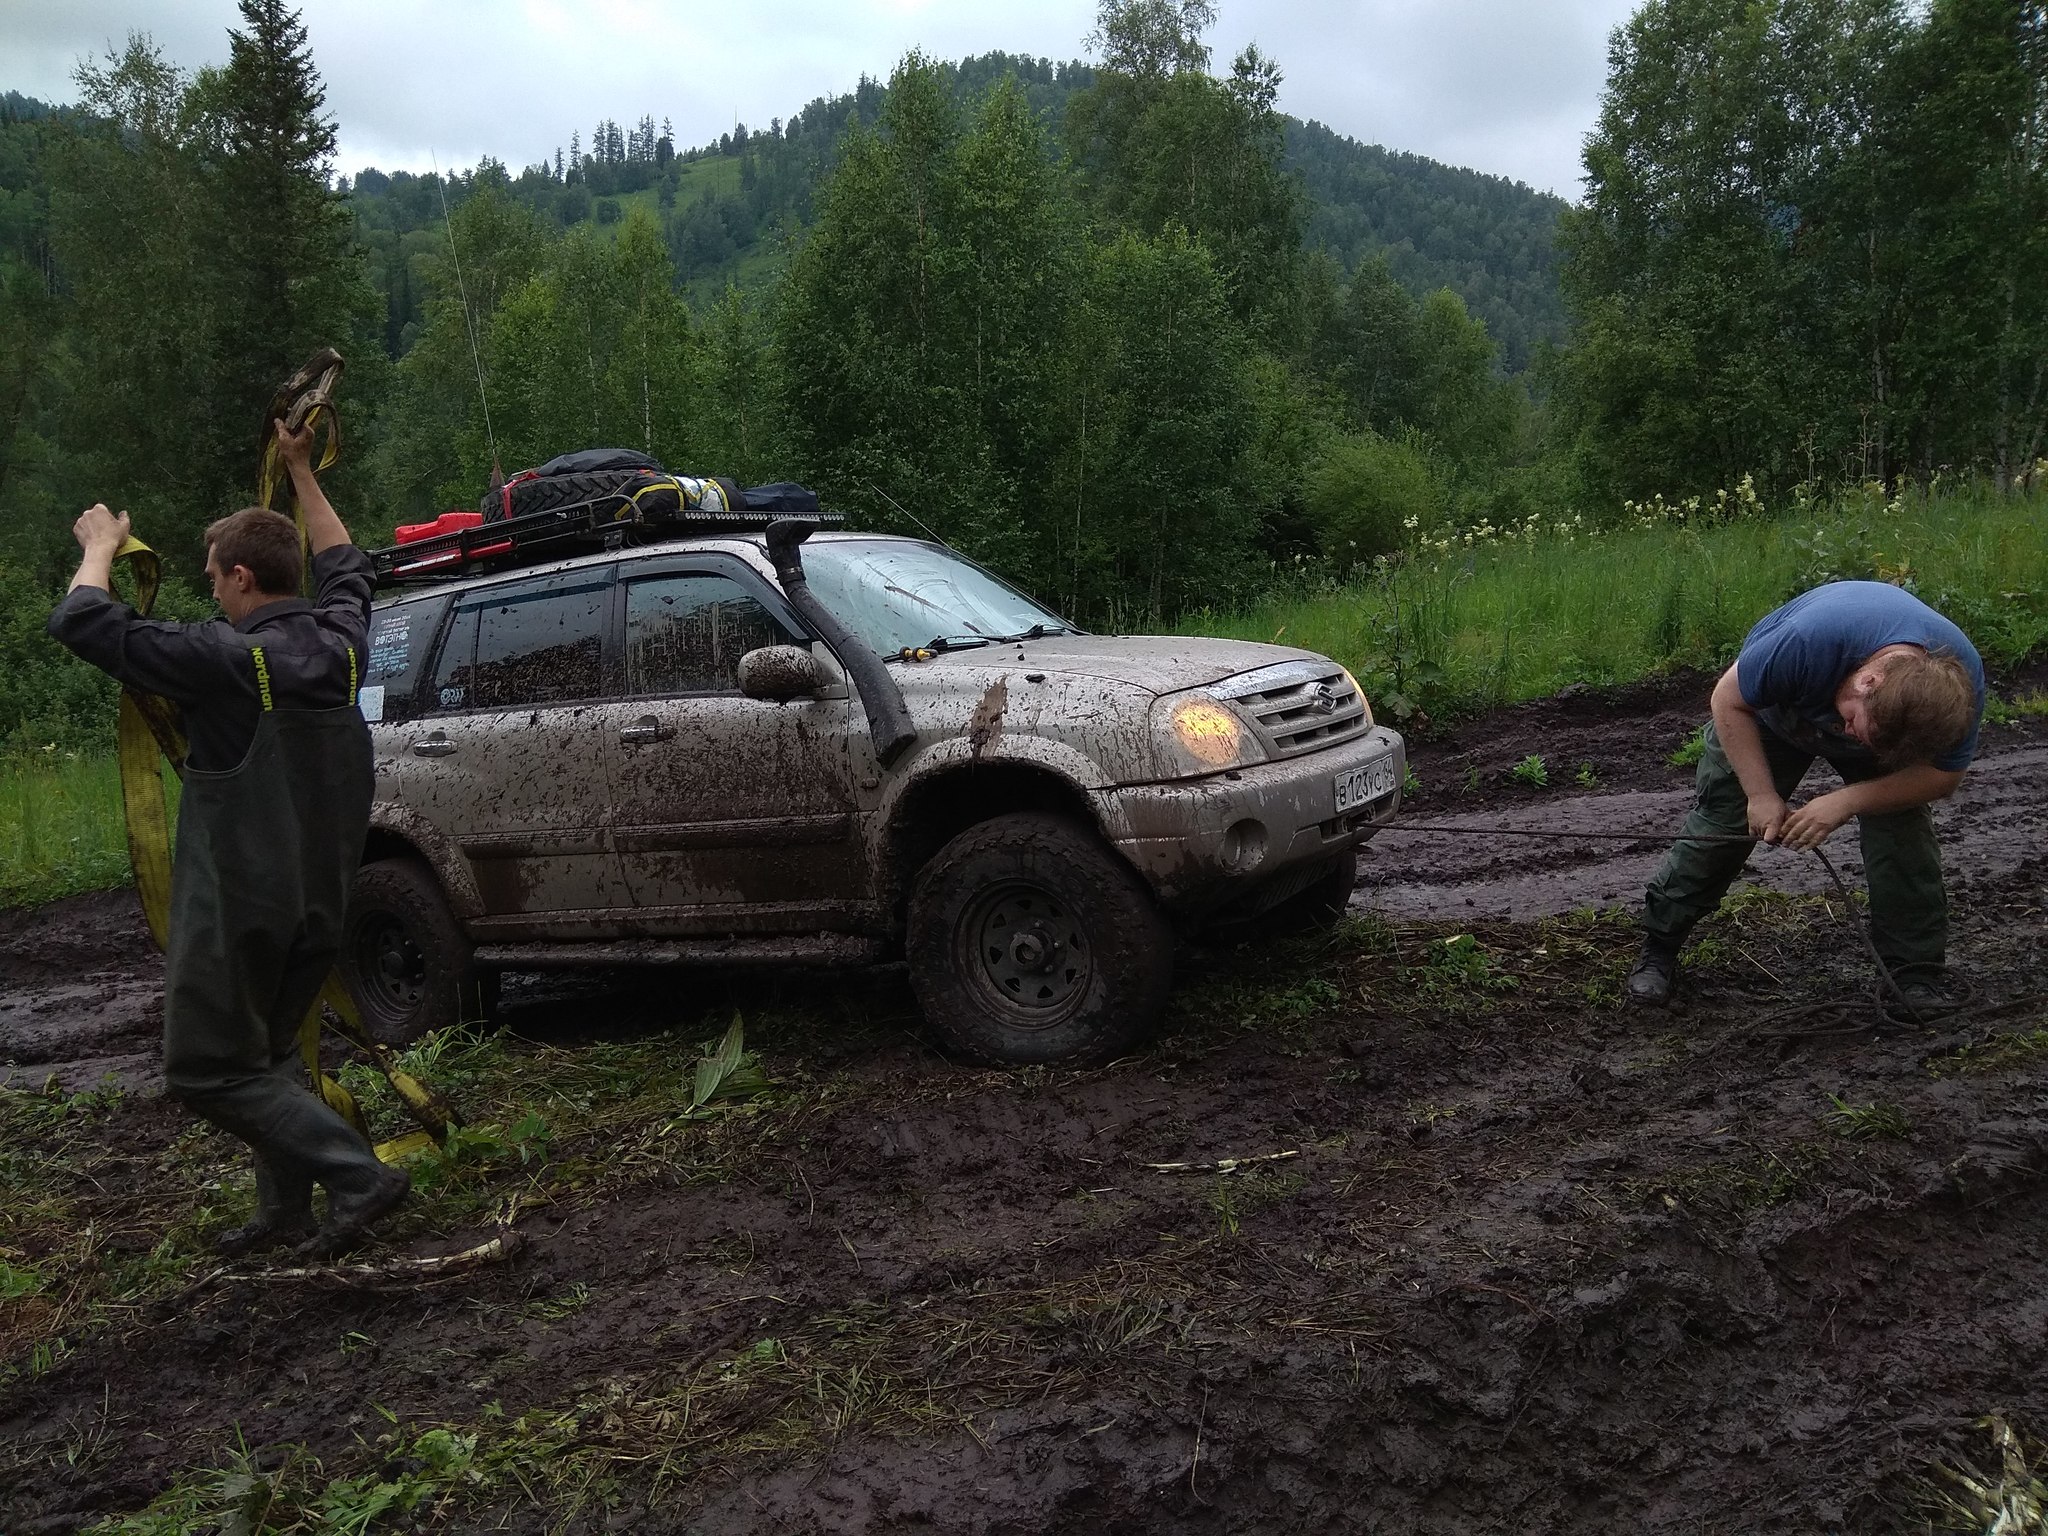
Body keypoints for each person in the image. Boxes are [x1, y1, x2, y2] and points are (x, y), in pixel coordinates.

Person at [48, 421, 408, 1259]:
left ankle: (356, 1175)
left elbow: (82, 621)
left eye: (215, 581)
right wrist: (300, 471)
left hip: (241, 906)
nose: (211, 595)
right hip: (320, 902)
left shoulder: (222, 660)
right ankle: (287, 1214)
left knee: (205, 1069)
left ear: (242, 577)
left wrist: (100, 545)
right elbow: (346, 563)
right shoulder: (343, 647)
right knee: (272, 1053)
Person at [1627, 579, 1984, 1012]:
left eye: (1864, 738)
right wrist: (1759, 795)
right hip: (1772, 715)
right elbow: (1728, 699)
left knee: (1904, 835)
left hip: (1888, 728)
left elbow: (1941, 778)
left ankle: (1914, 974)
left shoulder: (1951, 694)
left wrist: (1846, 800)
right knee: (1723, 825)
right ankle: (1660, 947)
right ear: (1867, 681)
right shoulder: (1808, 640)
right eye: (1854, 724)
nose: (1850, 737)